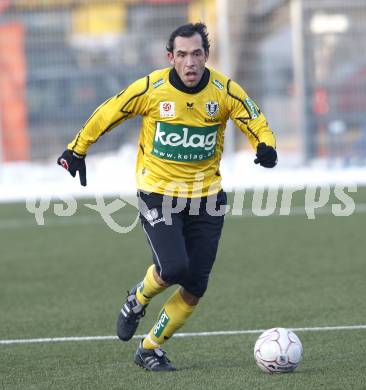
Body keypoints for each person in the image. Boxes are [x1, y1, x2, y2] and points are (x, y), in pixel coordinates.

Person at [57, 22, 277, 372]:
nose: (190, 63)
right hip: (158, 192)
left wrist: (265, 145)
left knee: (195, 285)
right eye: (183, 55)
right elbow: (108, 112)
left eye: (197, 55)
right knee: (174, 267)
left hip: (207, 197)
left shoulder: (224, 91)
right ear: (170, 57)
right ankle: (137, 299)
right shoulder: (151, 88)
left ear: (206, 56)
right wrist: (77, 149)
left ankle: (149, 348)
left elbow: (253, 117)